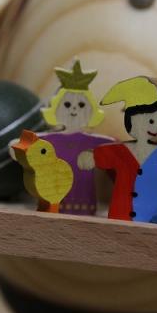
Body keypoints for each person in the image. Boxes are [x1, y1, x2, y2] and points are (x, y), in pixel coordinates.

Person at [78, 76, 157, 221]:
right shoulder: (120, 151)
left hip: (153, 217)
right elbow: (102, 156)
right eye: (146, 120)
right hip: (121, 215)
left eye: (154, 120)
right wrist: (91, 158)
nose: (150, 125)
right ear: (130, 121)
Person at [38, 60, 115, 215]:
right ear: (55, 109)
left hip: (84, 201)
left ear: (91, 111)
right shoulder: (52, 139)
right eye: (67, 105)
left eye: (81, 105)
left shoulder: (91, 141)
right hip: (56, 199)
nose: (74, 109)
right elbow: (31, 144)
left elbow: (112, 147)